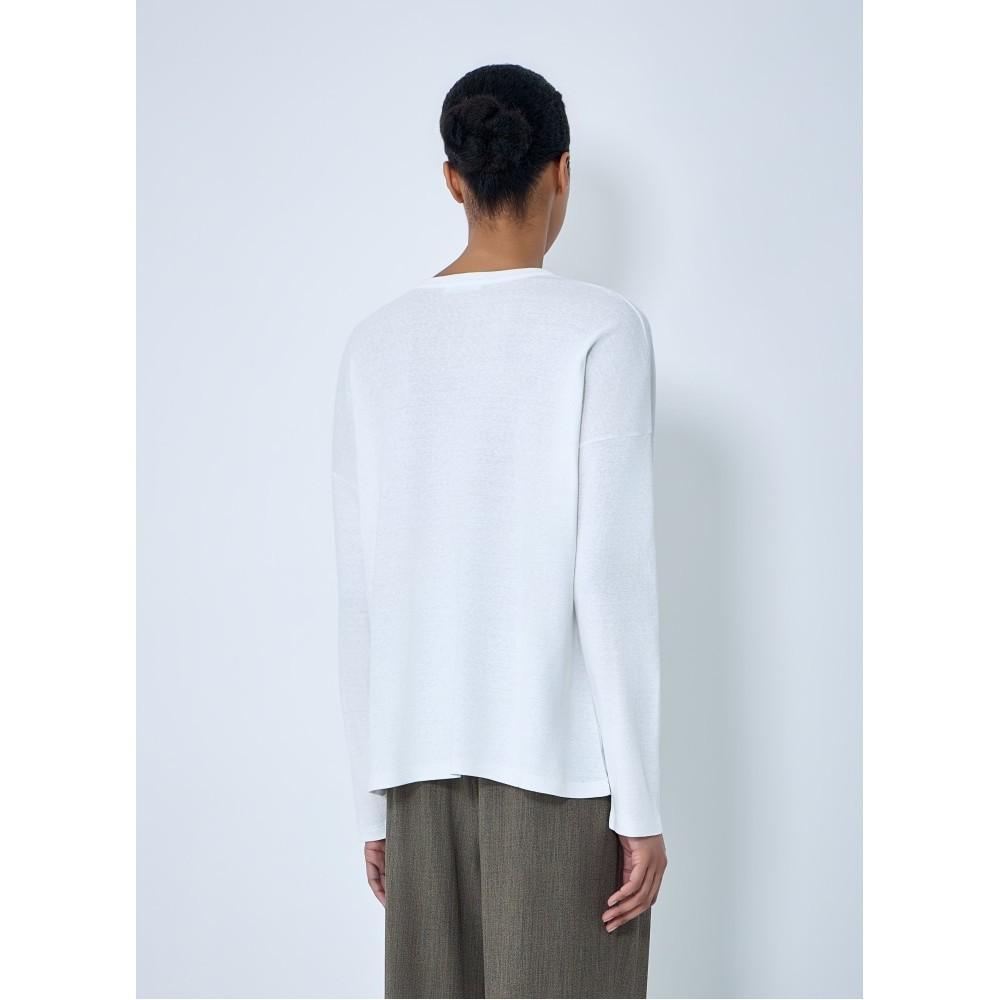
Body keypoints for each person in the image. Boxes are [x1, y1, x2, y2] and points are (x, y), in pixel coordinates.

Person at [331, 63, 668, 1000]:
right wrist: (640, 804)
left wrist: (372, 805)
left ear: (453, 179)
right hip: (559, 773)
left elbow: (361, 590)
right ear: (562, 171)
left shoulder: (375, 343)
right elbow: (608, 575)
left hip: (414, 775)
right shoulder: (602, 328)